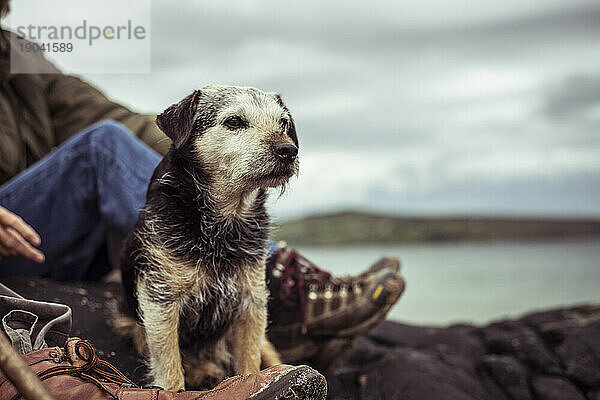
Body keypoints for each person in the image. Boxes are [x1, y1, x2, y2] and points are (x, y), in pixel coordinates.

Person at [0, 0, 403, 373]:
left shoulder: (15, 51)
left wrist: (193, 136)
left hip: (40, 237)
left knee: (113, 138)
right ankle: (288, 290)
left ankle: (268, 302)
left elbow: (116, 120)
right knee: (101, 146)